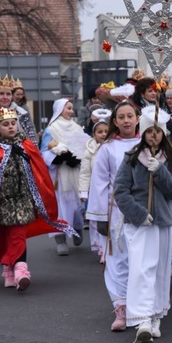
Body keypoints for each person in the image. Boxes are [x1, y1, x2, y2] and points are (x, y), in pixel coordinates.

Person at [0, 108, 76, 291]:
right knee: (5, 234)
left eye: (13, 123)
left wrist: (40, 193)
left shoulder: (26, 145)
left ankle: (22, 270)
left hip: (24, 198)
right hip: (2, 200)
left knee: (18, 233)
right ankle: (9, 270)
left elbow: (38, 169)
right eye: (6, 124)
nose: (11, 127)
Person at [113, 105, 172, 343]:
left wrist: (160, 170)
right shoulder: (132, 158)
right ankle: (141, 318)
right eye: (149, 131)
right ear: (143, 133)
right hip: (139, 223)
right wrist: (137, 213)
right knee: (142, 268)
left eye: (158, 131)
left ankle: (154, 316)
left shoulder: (171, 158)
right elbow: (120, 191)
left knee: (160, 269)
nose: (154, 135)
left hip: (161, 222)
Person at [87, 99, 141, 332]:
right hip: (117, 212)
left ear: (138, 118)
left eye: (130, 116)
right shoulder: (108, 148)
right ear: (115, 122)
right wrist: (100, 217)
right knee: (118, 260)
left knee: (141, 260)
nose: (127, 121)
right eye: (121, 117)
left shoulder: (148, 144)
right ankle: (121, 307)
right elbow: (99, 183)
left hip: (144, 212)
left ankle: (143, 307)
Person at [41, 98, 89, 255]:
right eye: (68, 108)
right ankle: (60, 239)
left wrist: (79, 159)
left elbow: (84, 146)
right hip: (59, 176)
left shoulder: (76, 127)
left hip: (75, 172)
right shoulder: (51, 129)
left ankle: (77, 228)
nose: (71, 111)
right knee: (61, 208)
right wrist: (60, 158)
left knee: (76, 206)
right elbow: (44, 152)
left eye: (71, 108)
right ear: (60, 109)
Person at [78, 110, 111, 262]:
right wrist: (83, 191)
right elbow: (85, 172)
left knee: (111, 219)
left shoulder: (112, 147)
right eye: (100, 132)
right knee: (98, 220)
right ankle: (101, 247)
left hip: (111, 190)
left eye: (106, 131)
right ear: (94, 134)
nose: (103, 134)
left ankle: (110, 248)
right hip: (96, 191)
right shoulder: (89, 151)